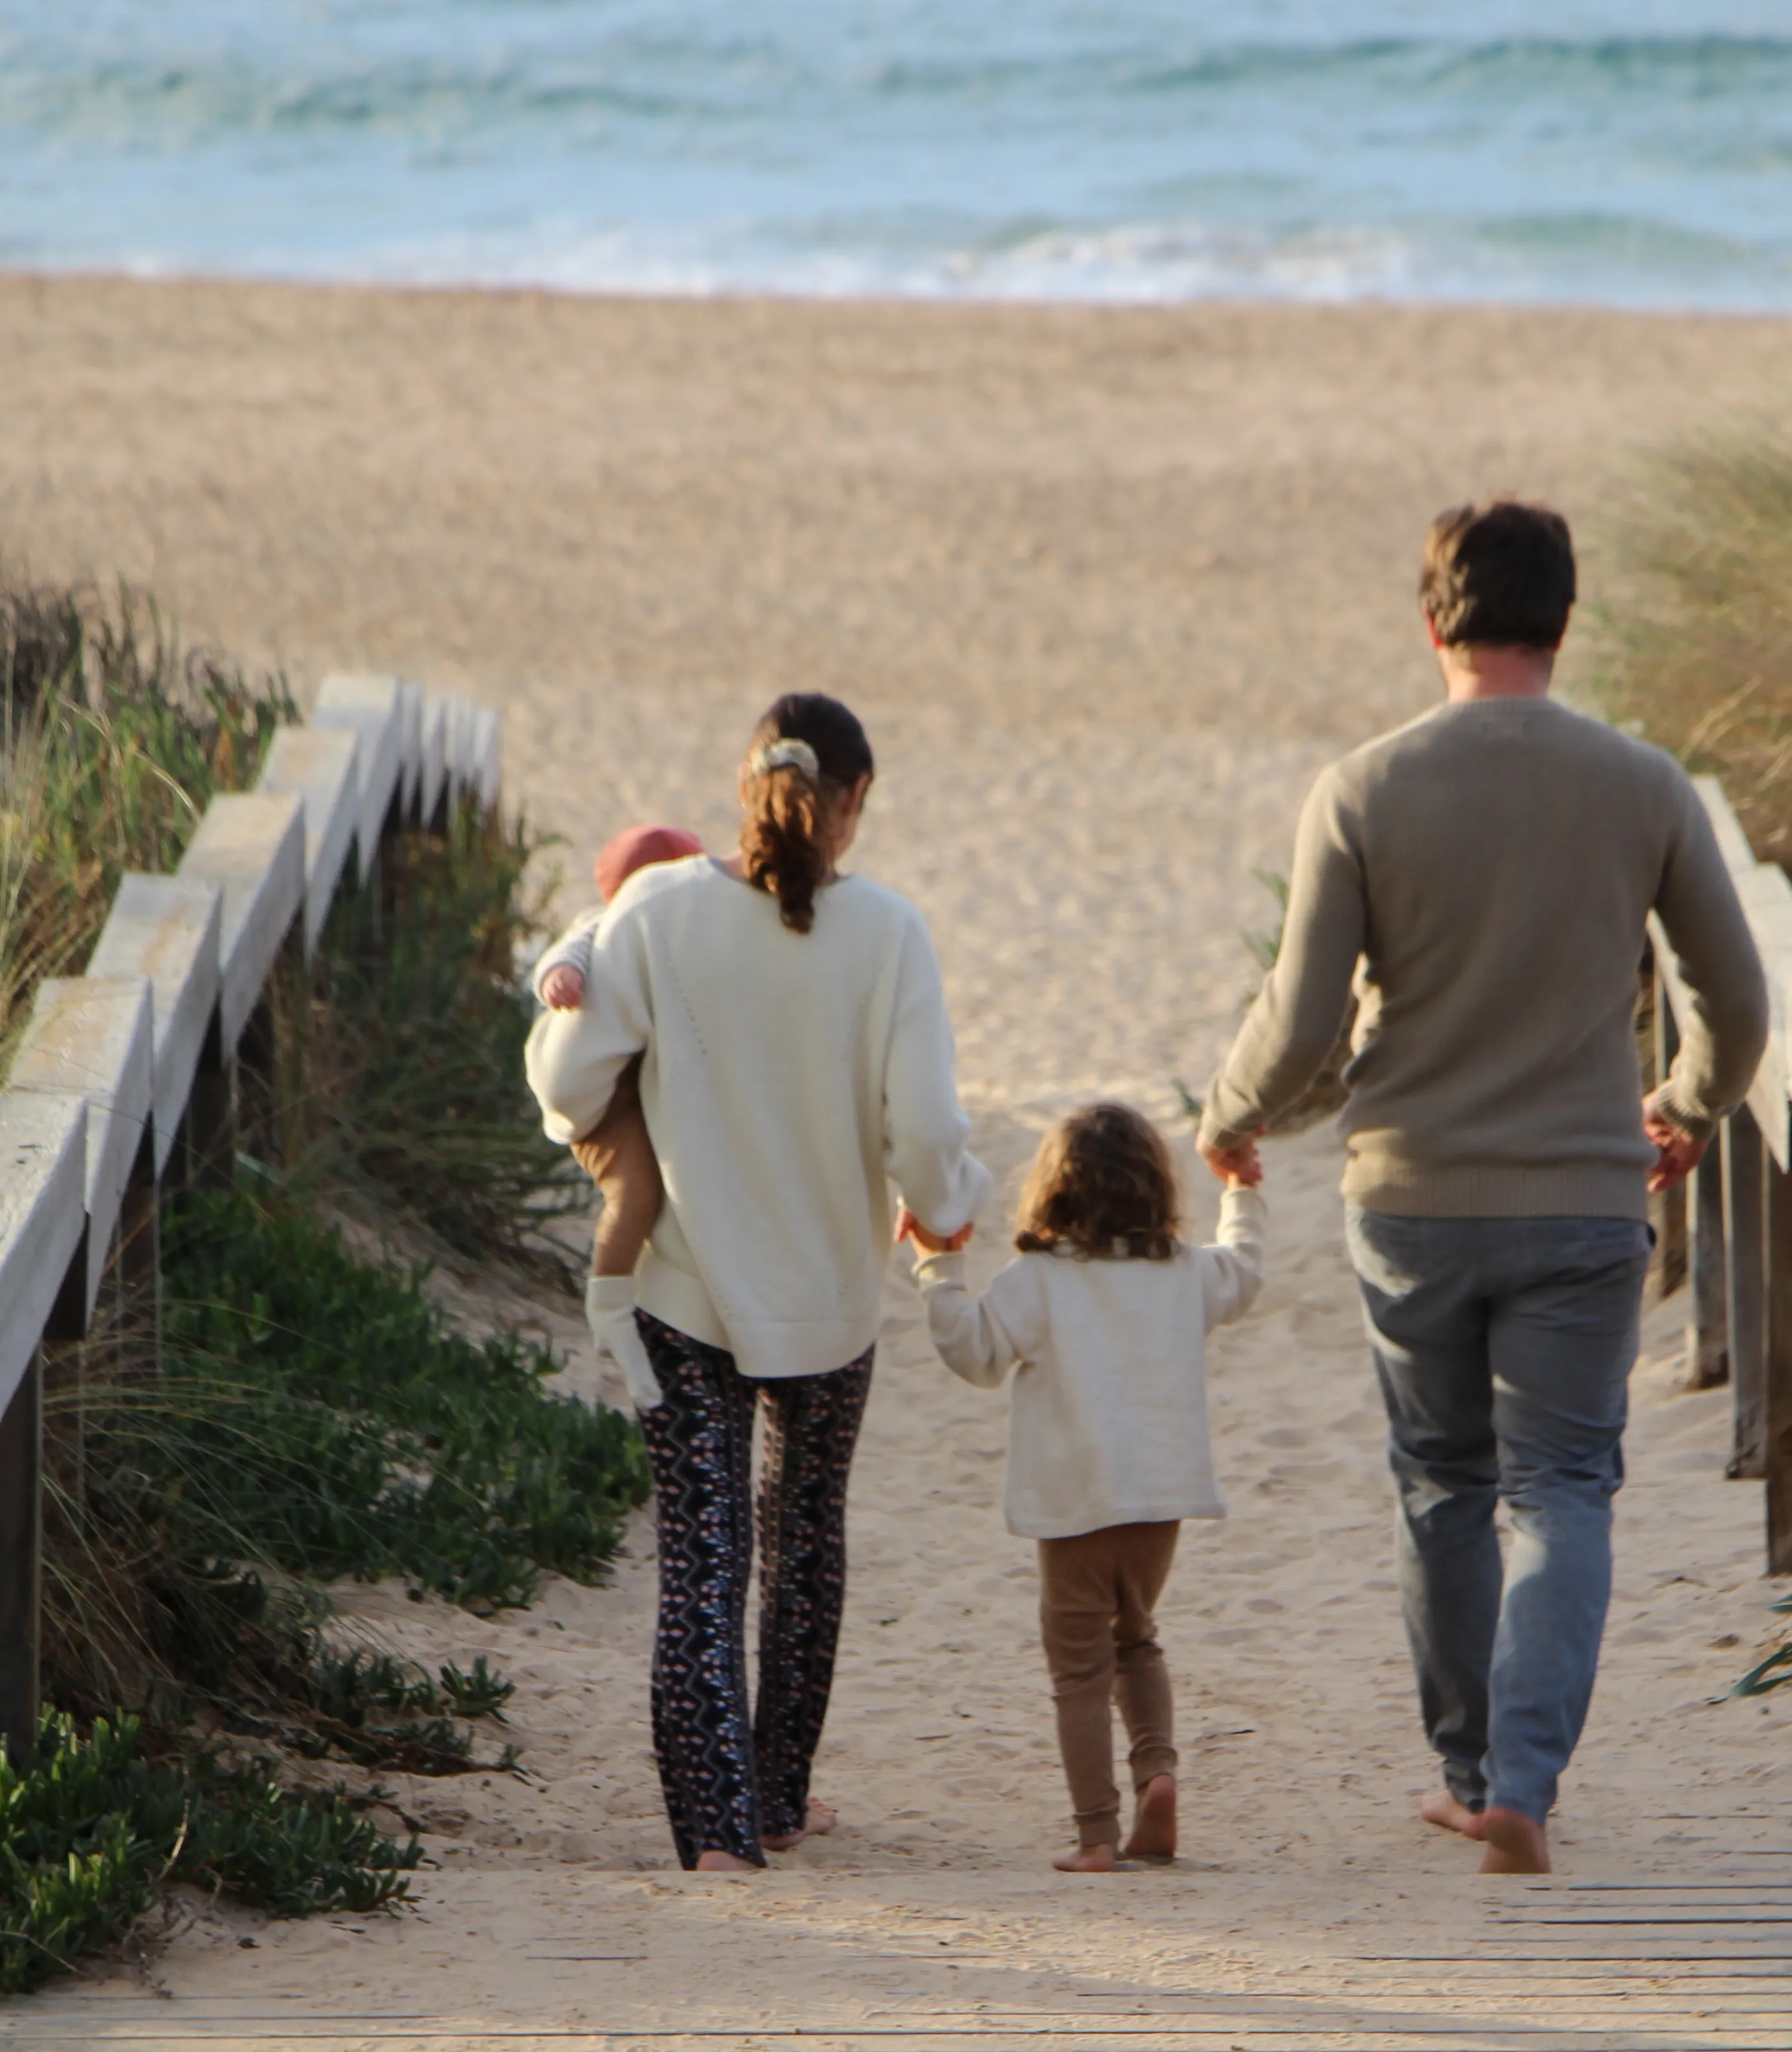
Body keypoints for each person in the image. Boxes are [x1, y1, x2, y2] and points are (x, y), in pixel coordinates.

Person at [1196, 500, 1769, 1876]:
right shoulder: (1644, 786)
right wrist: (1685, 1111)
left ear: (1430, 618)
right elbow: (1735, 1001)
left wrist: (1229, 1118)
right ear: (1565, 621)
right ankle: (1526, 1777)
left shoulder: (1362, 790)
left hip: (1412, 1199)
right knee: (1564, 1484)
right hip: (1581, 1190)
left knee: (1443, 1482)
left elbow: (1306, 1019)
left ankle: (1467, 1774)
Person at [527, 696, 991, 1872]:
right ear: (852, 802)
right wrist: (948, 1204)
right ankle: (779, 1797)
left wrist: (619, 1127)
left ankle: (720, 1837)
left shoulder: (656, 909)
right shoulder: (888, 932)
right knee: (804, 1539)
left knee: (703, 1558)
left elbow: (569, 1081)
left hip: (683, 1291)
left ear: (744, 791)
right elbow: (926, 1130)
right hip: (830, 1298)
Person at [916, 1102, 1267, 1874]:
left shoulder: (1037, 1280)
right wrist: (1242, 1191)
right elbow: (1244, 1275)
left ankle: (1097, 1837)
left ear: (1053, 1191)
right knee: (1136, 1639)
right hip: (1160, 1504)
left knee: (1078, 1668)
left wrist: (939, 1266)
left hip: (1074, 1506)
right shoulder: (1183, 1271)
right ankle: (1159, 1777)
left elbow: (974, 1355)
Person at [533, 823, 707, 1309]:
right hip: (606, 1104)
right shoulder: (605, 926)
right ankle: (608, 1298)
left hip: (653, 1088)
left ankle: (666, 1292)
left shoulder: (695, 937)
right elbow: (565, 952)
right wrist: (561, 976)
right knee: (636, 1195)